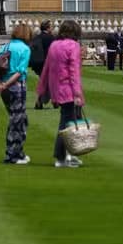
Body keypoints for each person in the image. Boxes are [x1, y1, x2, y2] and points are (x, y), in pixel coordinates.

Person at [38, 19, 85, 169]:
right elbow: (74, 72)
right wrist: (78, 93)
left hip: (57, 88)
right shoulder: (74, 46)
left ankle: (70, 154)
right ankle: (61, 157)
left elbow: (47, 68)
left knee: (70, 121)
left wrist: (43, 88)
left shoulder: (54, 45)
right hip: (69, 89)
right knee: (66, 124)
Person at [0, 23, 32, 165]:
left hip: (5, 88)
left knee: (19, 119)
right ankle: (13, 155)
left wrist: (0, 84)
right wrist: (6, 84)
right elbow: (19, 71)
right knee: (17, 121)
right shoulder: (24, 49)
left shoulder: (5, 47)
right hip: (16, 86)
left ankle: (18, 152)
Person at [30, 21, 55, 109]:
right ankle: (52, 100)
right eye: (51, 27)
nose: (52, 28)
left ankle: (44, 101)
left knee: (45, 82)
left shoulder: (36, 37)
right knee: (50, 82)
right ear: (48, 28)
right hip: (48, 63)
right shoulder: (51, 38)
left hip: (38, 64)